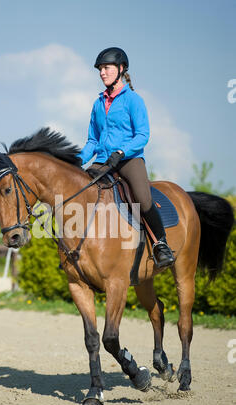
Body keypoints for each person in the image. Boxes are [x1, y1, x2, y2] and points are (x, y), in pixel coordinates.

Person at [77, 47, 175, 268]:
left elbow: (143, 135)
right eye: (100, 69)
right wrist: (78, 159)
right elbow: (92, 140)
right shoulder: (97, 104)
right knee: (80, 192)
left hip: (129, 160)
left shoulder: (133, 100)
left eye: (106, 68)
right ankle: (76, 248)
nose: (102, 72)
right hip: (102, 162)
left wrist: (121, 152)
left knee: (143, 198)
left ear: (121, 69)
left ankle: (161, 244)